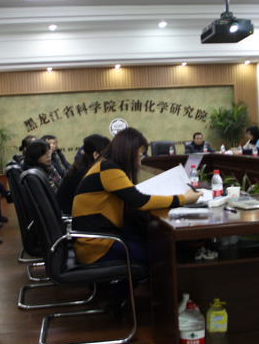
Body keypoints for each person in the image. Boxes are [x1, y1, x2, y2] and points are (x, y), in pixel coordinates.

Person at [72, 128, 201, 316]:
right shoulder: (109, 169)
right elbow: (140, 201)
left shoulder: (104, 165)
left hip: (96, 240)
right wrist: (183, 199)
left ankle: (115, 300)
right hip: (97, 245)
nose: (140, 161)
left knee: (150, 243)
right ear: (128, 151)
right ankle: (160, 308)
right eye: (139, 155)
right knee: (160, 254)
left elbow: (134, 197)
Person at [56, 134, 110, 215]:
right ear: (95, 155)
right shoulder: (85, 172)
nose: (110, 158)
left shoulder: (82, 167)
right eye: (107, 154)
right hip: (73, 215)